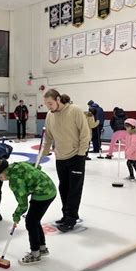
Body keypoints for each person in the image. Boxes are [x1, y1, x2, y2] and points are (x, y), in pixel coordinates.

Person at [0, 159, 56, 265]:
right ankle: (42, 248)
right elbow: (36, 166)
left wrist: (16, 215)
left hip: (43, 193)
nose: (1, 180)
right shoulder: (17, 165)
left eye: (0, 177)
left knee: (30, 222)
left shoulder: (15, 181)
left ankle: (35, 254)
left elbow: (23, 203)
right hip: (49, 187)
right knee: (35, 220)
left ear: (4, 171)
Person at [41, 89, 90, 232]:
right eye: (46, 104)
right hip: (60, 157)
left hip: (76, 156)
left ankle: (70, 218)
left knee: (74, 189)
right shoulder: (50, 115)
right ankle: (66, 215)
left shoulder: (74, 110)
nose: (48, 107)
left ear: (58, 99)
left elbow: (85, 133)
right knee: (64, 187)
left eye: (50, 103)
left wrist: (81, 153)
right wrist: (44, 152)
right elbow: (48, 136)